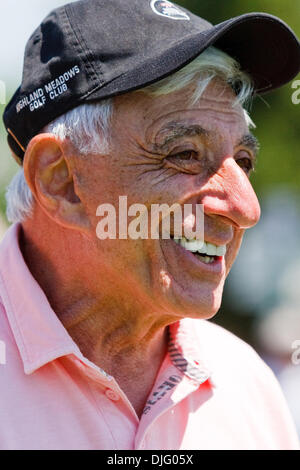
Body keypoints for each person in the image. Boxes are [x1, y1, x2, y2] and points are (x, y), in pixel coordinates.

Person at [1, 0, 299, 450]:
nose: (245, 207)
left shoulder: (248, 387)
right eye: (184, 154)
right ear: (61, 182)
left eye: (243, 160)